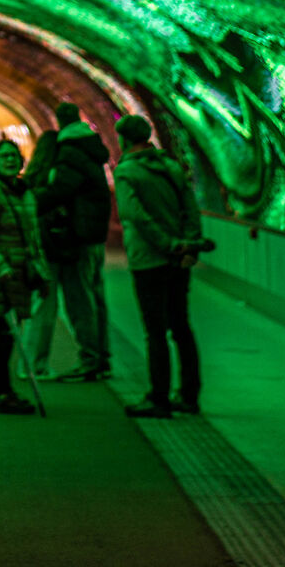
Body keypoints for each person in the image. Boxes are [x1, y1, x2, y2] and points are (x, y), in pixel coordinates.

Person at [113, 114, 206, 418]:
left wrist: (167, 244)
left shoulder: (126, 172)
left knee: (155, 332)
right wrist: (188, 243)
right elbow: (190, 208)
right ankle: (189, 395)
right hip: (178, 260)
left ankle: (159, 398)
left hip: (149, 260)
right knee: (181, 326)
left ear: (124, 140)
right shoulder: (171, 167)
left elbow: (135, 216)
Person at [30, 101, 113, 382]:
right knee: (95, 297)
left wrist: (30, 205)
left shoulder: (69, 151)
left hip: (78, 236)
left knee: (80, 301)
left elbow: (62, 190)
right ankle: (101, 357)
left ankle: (90, 360)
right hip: (95, 235)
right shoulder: (91, 147)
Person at [0, 136, 43, 415]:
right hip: (1, 273)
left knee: (10, 333)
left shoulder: (22, 191)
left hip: (20, 271)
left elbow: (32, 234)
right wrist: (0, 266)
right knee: (3, 331)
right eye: (4, 156)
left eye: (14, 156)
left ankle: (2, 389)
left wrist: (39, 267)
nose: (11, 160)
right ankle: (0, 391)